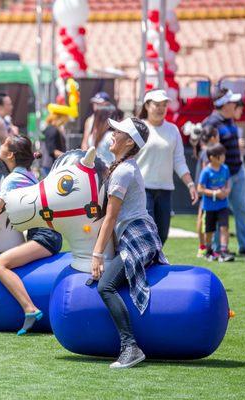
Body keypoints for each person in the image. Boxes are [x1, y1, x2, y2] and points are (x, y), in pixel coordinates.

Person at [91, 117, 168, 369]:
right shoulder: (122, 166)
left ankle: (130, 347)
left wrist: (97, 255)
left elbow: (111, 217)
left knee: (106, 287)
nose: (112, 133)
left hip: (137, 236)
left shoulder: (123, 170)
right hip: (135, 233)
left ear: (129, 141)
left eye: (119, 131)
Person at [0, 135, 63, 335]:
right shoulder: (30, 175)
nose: (1, 145)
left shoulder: (12, 179)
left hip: (43, 238)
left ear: (10, 154)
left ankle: (29, 308)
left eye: (4, 143)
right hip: (48, 235)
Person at [136, 89, 198, 244]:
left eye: (164, 105)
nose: (160, 108)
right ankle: (148, 265)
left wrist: (190, 184)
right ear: (147, 106)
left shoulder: (173, 130)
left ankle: (155, 264)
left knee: (162, 233)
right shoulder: (138, 128)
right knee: (148, 231)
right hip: (142, 188)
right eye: (156, 104)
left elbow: (179, 160)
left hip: (165, 190)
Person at [202, 88, 245, 255]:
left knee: (242, 209)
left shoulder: (229, 120)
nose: (235, 104)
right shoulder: (212, 123)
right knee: (218, 211)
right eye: (232, 102)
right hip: (221, 176)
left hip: (237, 172)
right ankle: (216, 248)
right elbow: (208, 150)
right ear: (224, 105)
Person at [197, 143, 235, 262]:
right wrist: (215, 193)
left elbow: (228, 181)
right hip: (209, 207)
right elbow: (200, 189)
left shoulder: (225, 168)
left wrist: (227, 191)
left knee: (224, 227)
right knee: (209, 231)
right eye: (221, 155)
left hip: (223, 205)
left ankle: (223, 251)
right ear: (212, 157)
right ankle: (209, 251)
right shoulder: (206, 172)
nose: (224, 157)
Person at [195, 127, 220, 258]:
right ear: (212, 138)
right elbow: (207, 171)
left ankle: (203, 247)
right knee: (204, 218)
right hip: (206, 191)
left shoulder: (203, 150)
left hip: (202, 189)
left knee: (202, 217)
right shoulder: (207, 152)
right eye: (218, 136)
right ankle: (203, 247)